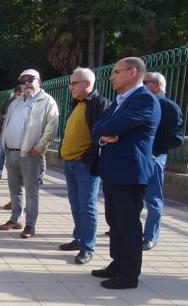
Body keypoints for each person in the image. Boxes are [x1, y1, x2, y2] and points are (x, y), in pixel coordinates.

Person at [91, 57, 160, 289]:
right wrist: (102, 135)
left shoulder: (144, 100)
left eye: (115, 72)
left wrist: (106, 130)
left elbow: (112, 126)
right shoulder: (120, 101)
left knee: (128, 223)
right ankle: (117, 263)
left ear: (131, 72)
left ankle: (129, 275)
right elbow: (98, 127)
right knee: (115, 221)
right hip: (113, 171)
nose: (112, 76)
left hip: (130, 173)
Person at [0, 69, 59, 238]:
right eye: (23, 81)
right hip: (11, 152)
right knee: (14, 188)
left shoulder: (47, 101)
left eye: (30, 80)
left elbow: (51, 128)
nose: (26, 84)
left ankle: (30, 225)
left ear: (39, 81)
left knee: (32, 191)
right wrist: (5, 144)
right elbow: (6, 124)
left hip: (31, 154)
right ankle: (15, 219)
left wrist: (39, 147)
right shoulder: (16, 102)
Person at [58, 67, 111, 264]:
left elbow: (101, 136)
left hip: (84, 164)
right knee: (75, 204)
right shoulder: (77, 103)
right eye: (70, 83)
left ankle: (87, 247)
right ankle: (79, 238)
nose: (70, 87)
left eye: (74, 83)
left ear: (87, 84)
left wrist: (85, 158)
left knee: (87, 206)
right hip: (70, 162)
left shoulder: (101, 104)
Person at [141, 72, 184, 250]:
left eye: (145, 82)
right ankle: (127, 228)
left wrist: (155, 151)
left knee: (153, 198)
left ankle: (150, 236)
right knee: (131, 197)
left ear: (156, 86)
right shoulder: (140, 104)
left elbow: (177, 138)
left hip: (154, 158)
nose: (141, 85)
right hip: (137, 157)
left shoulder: (170, 108)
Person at [0, 84, 23, 180]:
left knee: (15, 154)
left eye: (21, 92)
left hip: (18, 133)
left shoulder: (25, 103)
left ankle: (15, 174)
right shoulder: (8, 101)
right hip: (5, 130)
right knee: (2, 153)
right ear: (16, 92)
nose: (20, 94)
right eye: (19, 92)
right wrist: (4, 116)